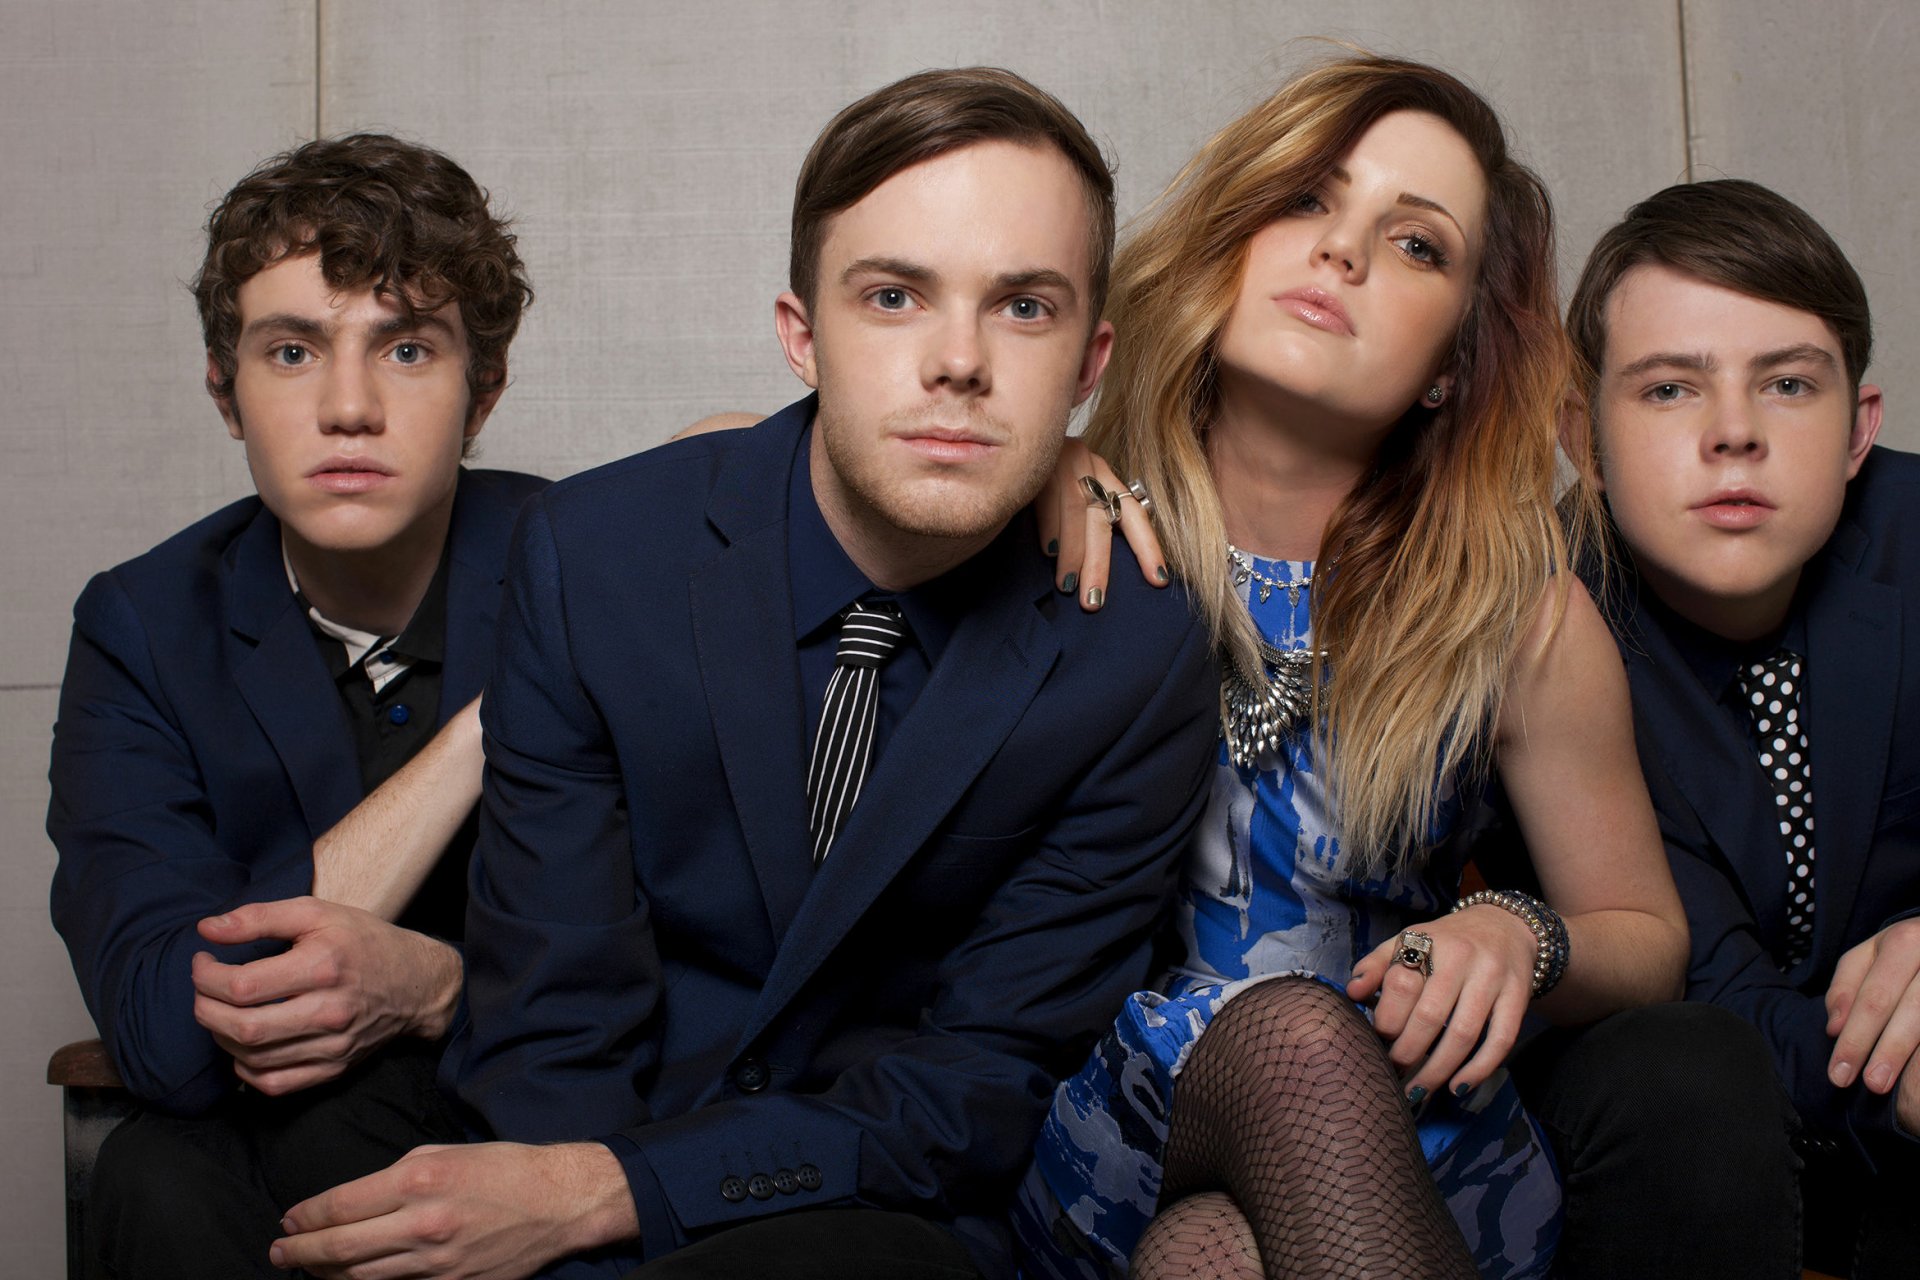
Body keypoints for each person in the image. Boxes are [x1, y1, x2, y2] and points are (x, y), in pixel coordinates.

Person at [268, 67, 1220, 1280]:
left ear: (1090, 361)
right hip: (576, 1159)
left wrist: (609, 1193)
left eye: (1022, 308)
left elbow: (987, 1077)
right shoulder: (599, 556)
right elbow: (554, 1008)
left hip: (889, 1212)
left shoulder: (1132, 649)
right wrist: (564, 1208)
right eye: (893, 296)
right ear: (800, 334)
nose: (959, 361)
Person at [1009, 54, 1688, 1280]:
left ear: (1450, 364)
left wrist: (1516, 930)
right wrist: (1026, 457)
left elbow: (1646, 933)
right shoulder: (1074, 519)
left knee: (1213, 1257)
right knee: (1291, 1047)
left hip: (1404, 1132)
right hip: (1098, 1123)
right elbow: (752, 475)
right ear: (1232, 234)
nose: (1343, 252)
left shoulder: (1513, 608)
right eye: (1308, 199)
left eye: (1417, 244)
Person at [45, 134, 542, 1276]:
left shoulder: (592, 565)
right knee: (152, 1173)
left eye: (407, 348)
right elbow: (167, 1036)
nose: (350, 406)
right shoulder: (142, 625)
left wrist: (436, 989)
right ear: (227, 393)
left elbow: (716, 982)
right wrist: (481, 726)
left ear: (484, 393)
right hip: (244, 1162)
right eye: (290, 351)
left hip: (529, 1128)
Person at [1553, 178, 1920, 1278]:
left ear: (1859, 428)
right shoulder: (1540, 628)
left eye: (1789, 384)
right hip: (1684, 1152)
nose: (1734, 435)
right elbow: (1709, 1005)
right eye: (1669, 390)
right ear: (1586, 436)